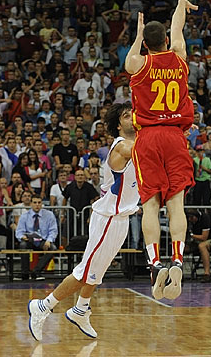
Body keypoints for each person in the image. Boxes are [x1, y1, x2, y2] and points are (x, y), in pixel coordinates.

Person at [26, 103, 140, 341]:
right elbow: (147, 148)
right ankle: (43, 306)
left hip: (122, 218)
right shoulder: (122, 146)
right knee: (85, 271)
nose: (133, 117)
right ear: (118, 125)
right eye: (126, 116)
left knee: (98, 270)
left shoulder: (138, 143)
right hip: (108, 218)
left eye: (134, 114)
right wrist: (171, 130)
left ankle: (80, 309)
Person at [125, 0, 197, 301]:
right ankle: (178, 260)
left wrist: (138, 35)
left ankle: (155, 264)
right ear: (166, 39)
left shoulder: (139, 64)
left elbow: (129, 59)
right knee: (176, 204)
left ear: (145, 44)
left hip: (149, 137)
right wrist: (180, 5)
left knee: (151, 205)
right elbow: (178, 27)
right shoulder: (179, 57)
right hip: (175, 135)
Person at [15, 195, 58, 281]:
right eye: (35, 202)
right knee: (23, 245)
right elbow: (19, 232)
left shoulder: (49, 215)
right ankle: (25, 273)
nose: (37, 205)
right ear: (31, 204)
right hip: (29, 240)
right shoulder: (24, 216)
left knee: (53, 248)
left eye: (39, 203)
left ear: (42, 204)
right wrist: (22, 237)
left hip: (42, 240)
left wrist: (49, 240)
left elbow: (53, 230)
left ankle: (36, 271)